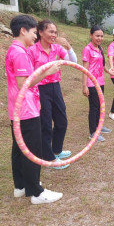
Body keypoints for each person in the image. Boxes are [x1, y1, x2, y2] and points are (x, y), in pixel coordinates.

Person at [7, 14, 63, 204]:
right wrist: (47, 72)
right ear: (23, 31)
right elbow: (24, 83)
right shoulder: (21, 52)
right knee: (31, 149)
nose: (35, 37)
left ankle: (20, 186)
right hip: (26, 109)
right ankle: (36, 192)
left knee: (19, 148)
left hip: (17, 108)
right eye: (33, 32)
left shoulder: (14, 49)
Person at [28, 20, 77, 169]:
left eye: (55, 32)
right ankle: (49, 158)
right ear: (40, 32)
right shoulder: (32, 50)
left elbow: (73, 62)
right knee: (46, 125)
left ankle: (56, 150)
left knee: (62, 121)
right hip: (40, 89)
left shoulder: (56, 48)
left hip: (55, 87)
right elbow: (29, 76)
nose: (54, 35)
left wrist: (68, 47)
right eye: (50, 31)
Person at [82, 25, 112, 142]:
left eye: (101, 36)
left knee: (100, 105)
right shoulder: (87, 49)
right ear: (91, 35)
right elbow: (84, 68)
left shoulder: (99, 48)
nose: (99, 38)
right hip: (91, 83)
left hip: (100, 81)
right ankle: (93, 132)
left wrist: (108, 70)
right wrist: (84, 86)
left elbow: (102, 64)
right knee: (94, 107)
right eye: (97, 36)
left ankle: (99, 126)